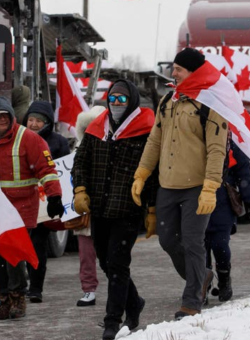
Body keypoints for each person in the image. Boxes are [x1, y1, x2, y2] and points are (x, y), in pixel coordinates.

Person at [134, 48, 228, 320]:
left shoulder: (211, 104)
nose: (172, 73)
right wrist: (142, 173)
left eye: (178, 69)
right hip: (168, 185)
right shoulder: (168, 101)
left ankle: (191, 301)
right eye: (173, 68)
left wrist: (210, 186)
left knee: (192, 242)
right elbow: (155, 141)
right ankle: (201, 277)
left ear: (193, 73)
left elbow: (216, 148)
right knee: (167, 240)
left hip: (197, 186)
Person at [73, 80, 157, 339]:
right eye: (112, 98)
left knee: (118, 265)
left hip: (127, 209)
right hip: (99, 207)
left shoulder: (146, 131)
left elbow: (153, 173)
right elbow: (81, 161)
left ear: (131, 100)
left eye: (121, 99)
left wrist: (152, 208)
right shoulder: (97, 128)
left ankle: (112, 321)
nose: (116, 103)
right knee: (106, 263)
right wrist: (80, 189)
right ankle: (134, 303)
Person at [0, 96, 63, 320]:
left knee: (13, 256)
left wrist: (54, 196)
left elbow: (47, 169)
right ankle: (4, 300)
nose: (2, 120)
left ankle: (18, 300)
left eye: (6, 116)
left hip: (20, 208)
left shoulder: (29, 139)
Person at [22, 100, 71, 303]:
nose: (33, 124)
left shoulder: (58, 141)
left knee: (37, 244)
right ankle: (17, 287)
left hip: (44, 205)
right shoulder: (18, 139)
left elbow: (65, 171)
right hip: (22, 201)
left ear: (48, 122)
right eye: (31, 119)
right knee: (20, 246)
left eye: (39, 121)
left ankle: (35, 288)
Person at [203, 143, 250, 306]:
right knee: (199, 247)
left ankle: (224, 279)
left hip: (223, 202)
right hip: (196, 199)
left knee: (220, 245)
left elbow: (243, 172)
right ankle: (201, 285)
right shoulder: (193, 140)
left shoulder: (230, 145)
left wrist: (248, 198)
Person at [74, 106, 106, 308]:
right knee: (86, 254)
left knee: (111, 254)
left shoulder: (112, 146)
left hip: (107, 208)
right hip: (84, 209)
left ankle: (120, 289)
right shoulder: (77, 149)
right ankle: (88, 290)